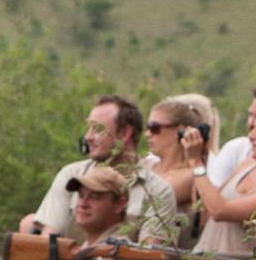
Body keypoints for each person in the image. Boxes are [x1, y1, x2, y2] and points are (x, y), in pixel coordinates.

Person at [19, 95, 177, 244]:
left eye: (96, 129)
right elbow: (49, 242)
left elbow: (149, 258)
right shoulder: (71, 175)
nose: (88, 137)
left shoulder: (157, 191)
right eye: (81, 195)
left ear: (124, 133)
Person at [187, 100, 256, 257]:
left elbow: (219, 211)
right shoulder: (247, 165)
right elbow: (205, 206)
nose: (251, 136)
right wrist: (201, 158)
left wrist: (195, 162)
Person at [144, 96, 209, 214]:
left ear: (180, 130)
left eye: (154, 128)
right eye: (147, 127)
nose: (147, 134)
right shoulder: (148, 164)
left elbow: (146, 202)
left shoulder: (190, 176)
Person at [66, 166, 129, 248]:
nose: (82, 204)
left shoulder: (121, 252)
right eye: (81, 195)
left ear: (119, 205)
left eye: (94, 197)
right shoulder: (89, 247)